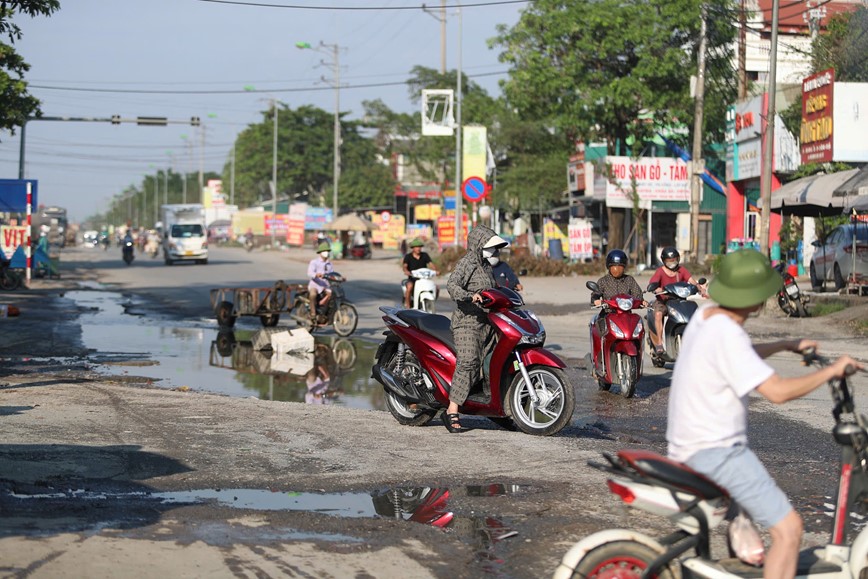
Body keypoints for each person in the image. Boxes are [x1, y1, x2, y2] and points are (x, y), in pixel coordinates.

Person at [666, 249, 861, 578]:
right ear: (755, 299)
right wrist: (834, 370)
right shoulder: (729, 334)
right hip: (716, 453)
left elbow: (743, 356)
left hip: (690, 445)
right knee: (789, 530)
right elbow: (778, 392)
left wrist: (786, 344)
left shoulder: (708, 316)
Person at [445, 225, 509, 433]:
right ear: (478, 245)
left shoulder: (486, 266)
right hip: (467, 322)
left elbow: (493, 291)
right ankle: (451, 409)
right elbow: (452, 285)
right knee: (469, 361)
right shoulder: (467, 263)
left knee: (496, 360)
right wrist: (468, 296)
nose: (494, 252)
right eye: (490, 247)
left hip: (487, 322)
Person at [647, 247, 707, 354]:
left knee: (695, 311)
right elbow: (654, 283)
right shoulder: (660, 272)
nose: (672, 263)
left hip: (679, 300)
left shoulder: (681, 270)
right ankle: (660, 343)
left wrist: (700, 288)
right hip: (664, 301)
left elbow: (691, 281)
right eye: (669, 261)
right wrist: (657, 288)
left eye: (674, 260)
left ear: (678, 259)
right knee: (658, 314)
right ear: (664, 261)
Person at [402, 238, 439, 308]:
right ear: (413, 248)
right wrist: (406, 271)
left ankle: (431, 302)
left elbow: (431, 264)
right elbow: (405, 266)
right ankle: (408, 304)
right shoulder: (408, 256)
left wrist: (435, 271)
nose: (418, 248)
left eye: (419, 247)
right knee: (409, 287)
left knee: (436, 288)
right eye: (416, 247)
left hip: (424, 278)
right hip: (412, 279)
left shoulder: (425, 255)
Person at [307, 242, 334, 324]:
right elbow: (309, 272)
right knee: (313, 295)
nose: (326, 252)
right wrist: (316, 275)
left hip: (325, 286)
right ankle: (313, 313)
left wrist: (339, 278)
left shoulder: (329, 264)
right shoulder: (314, 262)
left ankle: (325, 313)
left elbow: (332, 274)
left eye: (327, 251)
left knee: (333, 295)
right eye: (324, 251)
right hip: (315, 285)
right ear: (320, 253)